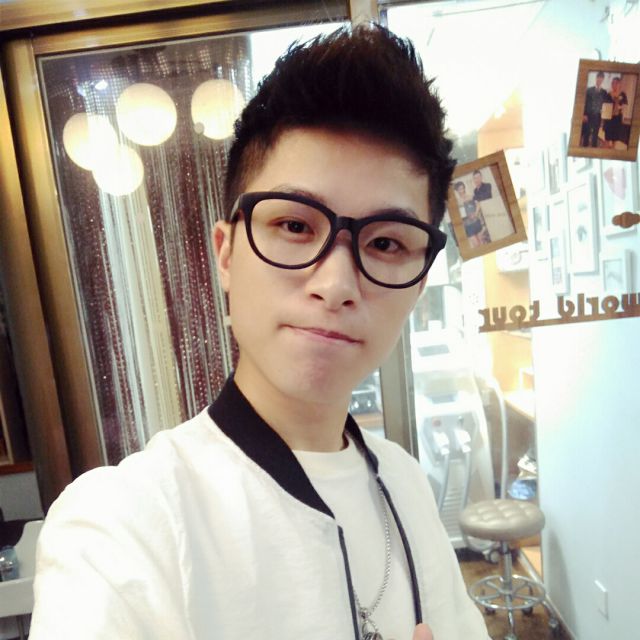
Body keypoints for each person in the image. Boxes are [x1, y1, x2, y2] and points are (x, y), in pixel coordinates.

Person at [30, 25, 489, 640]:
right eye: (295, 226)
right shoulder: (126, 527)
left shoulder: (405, 482)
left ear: (420, 279)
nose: (336, 283)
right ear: (226, 254)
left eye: (386, 243)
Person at [453, 181, 489, 247]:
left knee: (482, 242)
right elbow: (457, 215)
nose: (462, 190)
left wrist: (476, 213)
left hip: (476, 222)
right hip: (467, 225)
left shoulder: (470, 196)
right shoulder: (457, 202)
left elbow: (478, 204)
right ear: (457, 191)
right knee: (476, 245)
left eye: (463, 188)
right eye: (460, 189)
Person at [581, 70, 607, 147]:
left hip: (598, 116)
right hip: (589, 115)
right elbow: (585, 103)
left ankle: (593, 149)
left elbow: (605, 105)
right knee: (587, 133)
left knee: (595, 134)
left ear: (603, 80)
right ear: (596, 78)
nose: (599, 80)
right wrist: (584, 114)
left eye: (601, 78)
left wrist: (603, 117)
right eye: (598, 78)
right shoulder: (589, 90)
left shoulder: (604, 92)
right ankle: (584, 148)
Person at [603, 76, 629, 148]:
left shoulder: (623, 94)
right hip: (609, 118)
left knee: (615, 138)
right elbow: (605, 105)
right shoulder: (608, 94)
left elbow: (625, 106)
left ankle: (613, 149)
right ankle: (606, 148)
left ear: (619, 84)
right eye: (613, 83)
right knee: (607, 137)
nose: (614, 84)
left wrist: (619, 107)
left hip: (617, 119)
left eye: (616, 83)